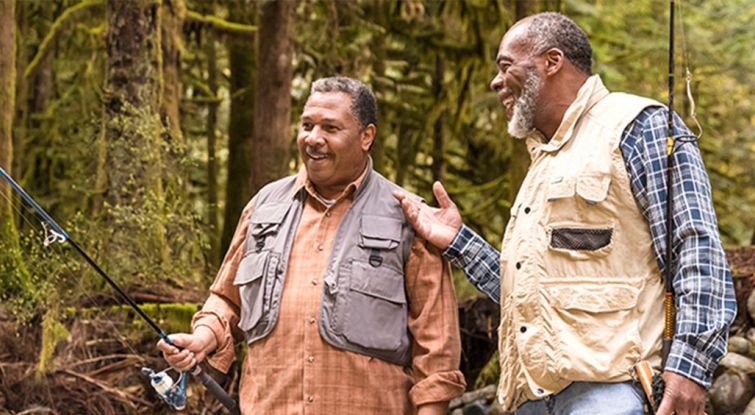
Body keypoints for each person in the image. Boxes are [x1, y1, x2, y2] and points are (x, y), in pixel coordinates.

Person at [394, 12, 735, 415]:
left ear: (551, 62)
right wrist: (457, 241)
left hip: (615, 395)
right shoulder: (544, 160)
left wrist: (689, 370)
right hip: (532, 401)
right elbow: (531, 290)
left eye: (506, 66)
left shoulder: (641, 126)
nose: (495, 81)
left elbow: (697, 249)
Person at [158, 77, 466, 414]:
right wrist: (202, 338)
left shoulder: (409, 215)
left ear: (366, 137)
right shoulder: (264, 206)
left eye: (330, 128)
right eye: (307, 125)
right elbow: (226, 299)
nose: (313, 139)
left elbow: (437, 344)